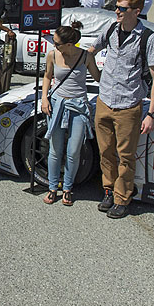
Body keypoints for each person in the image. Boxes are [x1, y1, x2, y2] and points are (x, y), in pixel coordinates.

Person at [89, 0, 154, 219]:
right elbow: (91, 52)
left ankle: (122, 198)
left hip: (128, 105)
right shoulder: (111, 29)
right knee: (105, 152)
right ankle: (108, 191)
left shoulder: (148, 39)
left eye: (122, 8)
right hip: (104, 101)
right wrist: (98, 77)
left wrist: (151, 113)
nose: (117, 12)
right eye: (117, 7)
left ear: (136, 11)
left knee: (126, 156)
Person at [41, 21, 101, 206]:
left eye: (57, 43)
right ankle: (52, 188)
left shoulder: (85, 56)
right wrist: (44, 99)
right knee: (55, 150)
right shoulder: (52, 54)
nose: (54, 45)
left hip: (78, 105)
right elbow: (47, 76)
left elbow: (99, 78)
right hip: (57, 104)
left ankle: (67, 188)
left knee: (74, 151)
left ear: (69, 44)